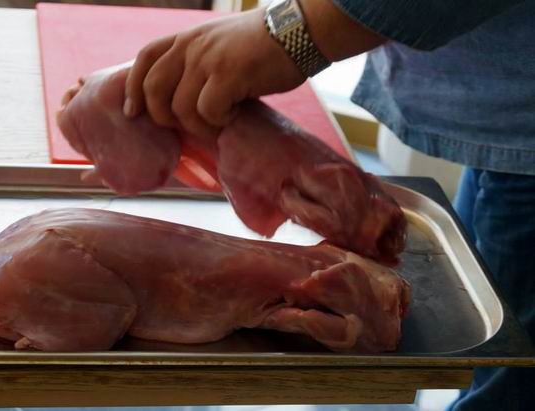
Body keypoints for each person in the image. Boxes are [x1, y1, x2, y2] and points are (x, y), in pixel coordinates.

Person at [122, 0, 535, 410]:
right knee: (487, 332)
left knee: (510, 384)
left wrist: (294, 31)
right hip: (500, 119)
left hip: (519, 121)